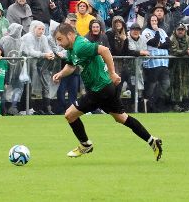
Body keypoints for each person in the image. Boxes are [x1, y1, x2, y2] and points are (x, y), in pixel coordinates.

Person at [51, 23, 163, 160]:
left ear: (69, 35)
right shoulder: (72, 48)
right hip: (105, 88)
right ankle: (152, 141)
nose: (59, 43)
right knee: (122, 118)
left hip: (99, 89)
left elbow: (104, 50)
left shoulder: (80, 46)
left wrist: (112, 73)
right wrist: (61, 74)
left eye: (60, 39)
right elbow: (71, 65)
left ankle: (85, 144)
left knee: (69, 115)